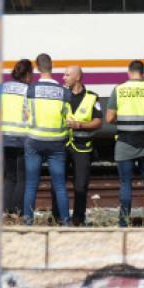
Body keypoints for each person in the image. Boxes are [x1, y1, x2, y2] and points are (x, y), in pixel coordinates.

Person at [106, 60, 144, 226]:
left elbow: (109, 118)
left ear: (128, 73)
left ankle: (124, 222)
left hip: (125, 143)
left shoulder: (119, 89)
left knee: (126, 184)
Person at [22, 53, 72, 225]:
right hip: (57, 142)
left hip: (34, 140)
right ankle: (66, 222)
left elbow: (26, 114)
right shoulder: (64, 92)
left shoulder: (30, 90)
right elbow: (68, 116)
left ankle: (28, 222)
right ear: (52, 66)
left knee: (31, 185)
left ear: (37, 68)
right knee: (60, 186)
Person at [51, 65, 102, 226]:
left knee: (81, 185)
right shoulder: (61, 96)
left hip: (82, 148)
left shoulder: (92, 97)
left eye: (67, 75)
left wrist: (79, 125)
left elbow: (98, 122)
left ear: (77, 77)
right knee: (57, 182)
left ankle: (78, 218)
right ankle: (57, 216)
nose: (63, 78)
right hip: (62, 145)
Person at [1, 58, 33, 217]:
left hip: (4, 138)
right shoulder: (28, 90)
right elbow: (30, 114)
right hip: (22, 139)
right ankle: (17, 211)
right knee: (22, 178)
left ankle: (5, 210)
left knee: (9, 176)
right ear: (27, 74)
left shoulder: (3, 88)